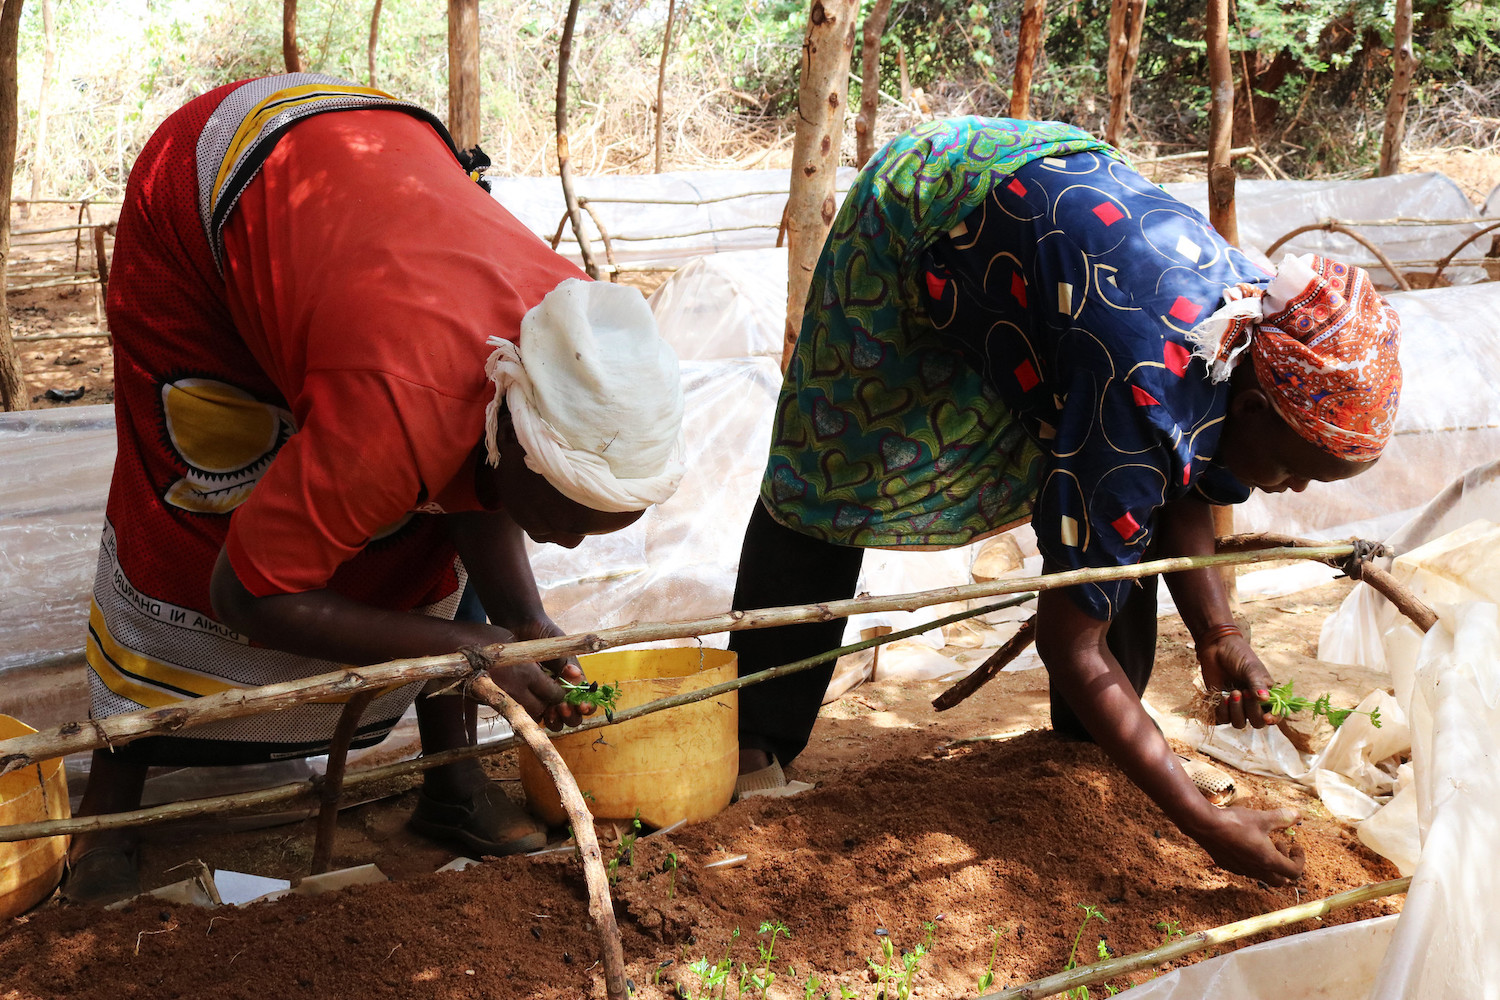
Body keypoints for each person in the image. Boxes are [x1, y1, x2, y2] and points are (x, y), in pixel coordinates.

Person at [728, 116, 1401, 886]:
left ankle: (1092, 748)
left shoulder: (1244, 338)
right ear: (1252, 411)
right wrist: (1203, 821)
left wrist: (1218, 630)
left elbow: (1182, 474)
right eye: (1299, 469)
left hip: (1064, 250)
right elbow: (1070, 639)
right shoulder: (1145, 383)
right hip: (928, 207)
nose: (1295, 488)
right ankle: (758, 738)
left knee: (1124, 503)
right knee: (833, 472)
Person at [67, 74, 686, 904]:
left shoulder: (567, 339)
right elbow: (246, 592)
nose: (568, 544)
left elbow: (475, 485)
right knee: (200, 486)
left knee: (429, 511)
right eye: (567, 521)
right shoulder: (403, 404)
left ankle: (452, 787)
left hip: (373, 204)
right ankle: (110, 812)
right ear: (522, 450)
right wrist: (464, 647)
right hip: (213, 192)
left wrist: (524, 621)